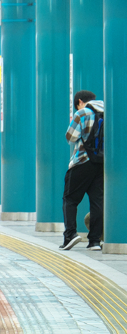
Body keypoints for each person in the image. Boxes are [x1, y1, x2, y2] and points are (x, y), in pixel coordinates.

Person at [60, 90, 105, 251]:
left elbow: (70, 137)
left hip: (82, 161)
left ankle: (70, 235)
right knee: (97, 201)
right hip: (101, 163)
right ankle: (94, 241)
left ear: (79, 101)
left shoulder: (82, 113)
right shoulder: (107, 111)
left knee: (70, 199)